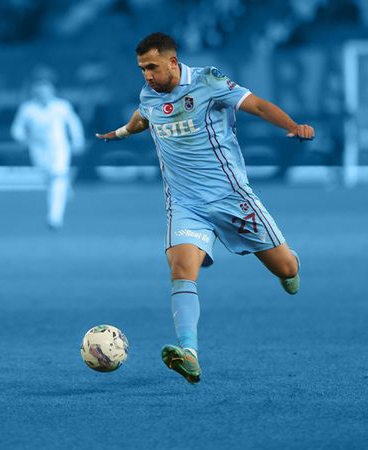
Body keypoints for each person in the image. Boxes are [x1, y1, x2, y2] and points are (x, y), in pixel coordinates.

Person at [95, 32, 314, 384]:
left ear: (172, 62)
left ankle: (289, 264)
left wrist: (293, 126)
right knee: (181, 269)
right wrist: (119, 133)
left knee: (285, 268)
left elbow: (257, 105)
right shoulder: (149, 95)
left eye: (152, 67)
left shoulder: (208, 82)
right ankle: (189, 353)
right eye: (142, 69)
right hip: (185, 205)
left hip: (232, 199)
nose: (147, 75)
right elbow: (142, 118)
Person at [11, 76, 85, 229]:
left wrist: (78, 140)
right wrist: (21, 139)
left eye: (45, 91)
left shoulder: (61, 106)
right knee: (49, 178)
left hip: (59, 147)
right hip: (37, 149)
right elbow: (17, 128)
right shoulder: (27, 108)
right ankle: (65, 186)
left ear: (52, 91)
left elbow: (74, 124)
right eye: (39, 91)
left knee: (57, 176)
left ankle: (54, 218)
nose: (43, 94)